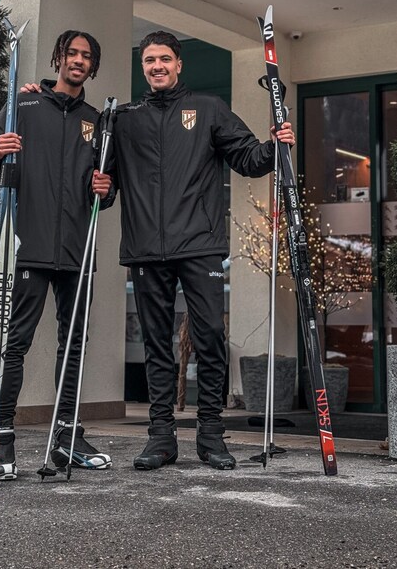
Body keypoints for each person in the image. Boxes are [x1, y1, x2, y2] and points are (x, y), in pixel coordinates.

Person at [112, 31, 295, 471]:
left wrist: (277, 145)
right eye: (149, 60)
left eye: (164, 59)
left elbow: (249, 159)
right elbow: (101, 179)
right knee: (158, 346)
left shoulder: (209, 109)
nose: (157, 66)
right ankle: (161, 438)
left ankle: (211, 435)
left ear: (179, 64)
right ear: (144, 67)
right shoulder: (123, 119)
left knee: (209, 338)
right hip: (145, 248)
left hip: (199, 245)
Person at [0, 30, 113, 480]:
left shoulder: (98, 120)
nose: (77, 61)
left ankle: (66, 437)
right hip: (27, 247)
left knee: (72, 346)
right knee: (15, 345)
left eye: (86, 56)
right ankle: (4, 438)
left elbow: (106, 189)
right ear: (58, 58)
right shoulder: (23, 105)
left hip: (76, 249)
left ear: (92, 66)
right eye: (71, 53)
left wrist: (105, 191)